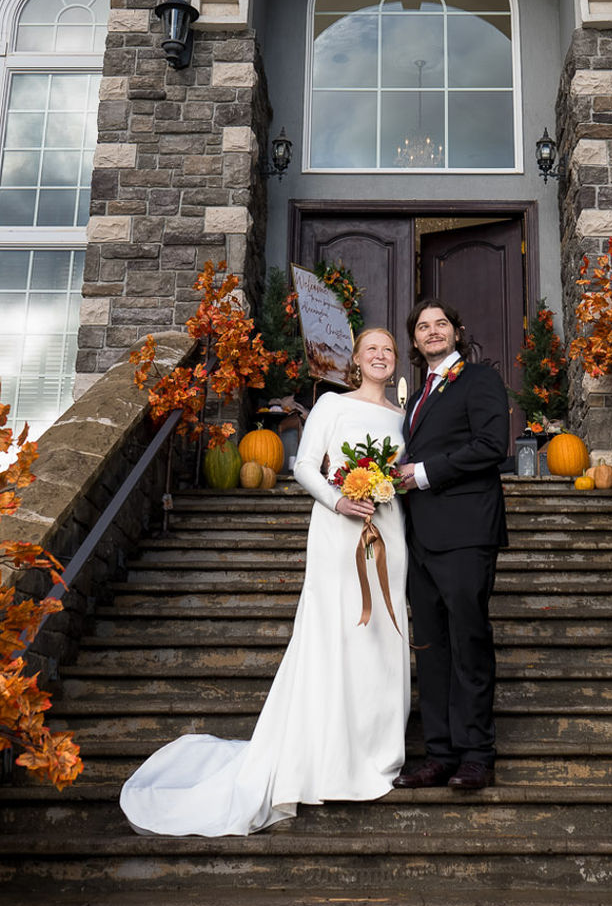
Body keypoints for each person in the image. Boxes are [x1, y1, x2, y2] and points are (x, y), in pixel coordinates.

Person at [119, 327, 411, 836]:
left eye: (388, 350)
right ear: (357, 362)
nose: (381, 356)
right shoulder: (331, 406)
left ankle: (376, 754)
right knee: (336, 634)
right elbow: (302, 467)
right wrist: (341, 500)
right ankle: (324, 757)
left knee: (384, 638)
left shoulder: (402, 416)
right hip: (339, 529)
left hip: (388, 529)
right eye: (372, 350)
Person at [391, 298, 511, 791]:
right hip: (420, 539)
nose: (433, 331)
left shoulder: (480, 378)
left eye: (441, 323)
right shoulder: (417, 396)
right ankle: (438, 753)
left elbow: (490, 446)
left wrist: (420, 474)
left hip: (465, 533)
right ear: (414, 341)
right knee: (432, 650)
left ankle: (477, 755)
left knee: (468, 644)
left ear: (456, 332)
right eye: (423, 326)